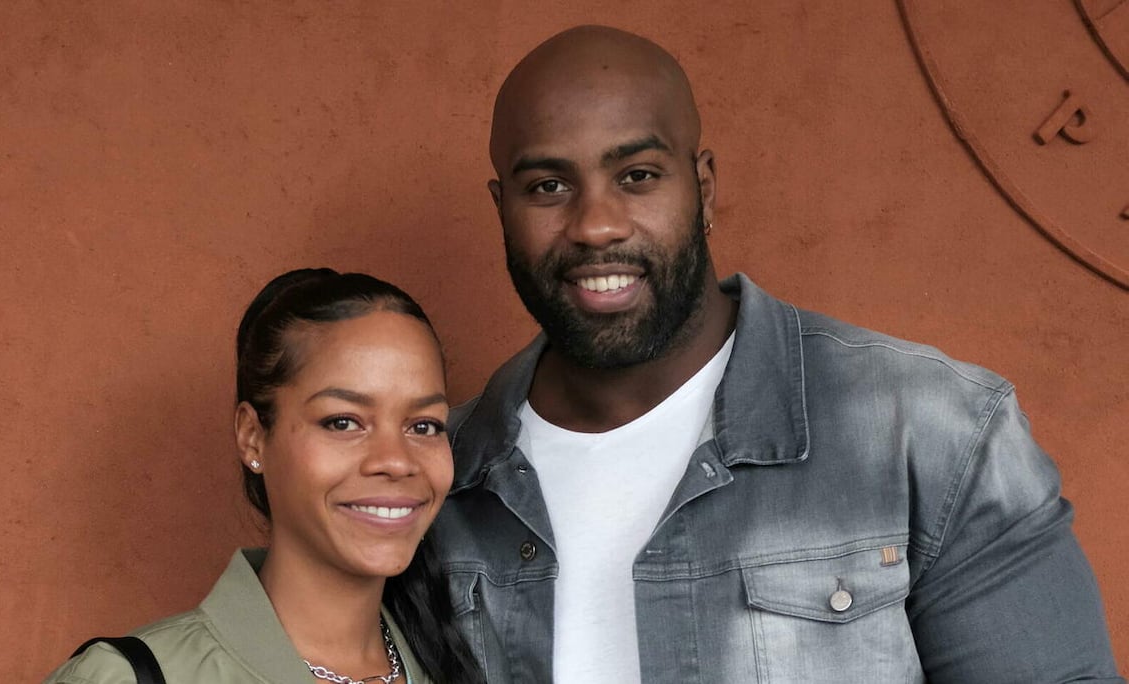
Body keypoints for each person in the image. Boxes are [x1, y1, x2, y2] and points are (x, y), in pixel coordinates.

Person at [430, 25, 1124, 683]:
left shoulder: (930, 433)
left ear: (703, 188)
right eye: (548, 186)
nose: (596, 224)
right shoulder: (428, 480)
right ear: (502, 209)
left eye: (637, 175)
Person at [46, 268, 484, 684]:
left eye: (423, 426)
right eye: (343, 422)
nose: (396, 460)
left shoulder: (463, 663)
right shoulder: (123, 677)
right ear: (253, 437)